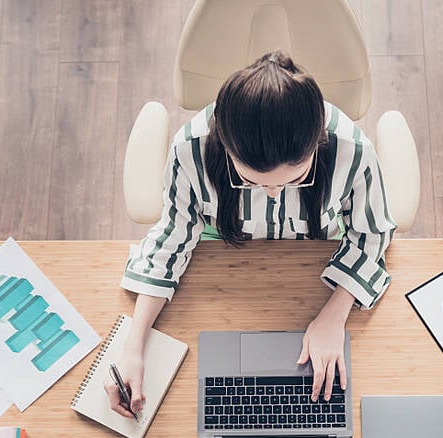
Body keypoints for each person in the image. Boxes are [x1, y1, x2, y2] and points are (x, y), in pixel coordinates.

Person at [105, 50, 395, 418]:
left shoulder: (352, 150)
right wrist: (133, 347)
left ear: (318, 143)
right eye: (249, 181)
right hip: (223, 255)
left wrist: (334, 315)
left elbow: (372, 234)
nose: (273, 193)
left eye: (295, 179)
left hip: (313, 263)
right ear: (225, 147)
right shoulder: (189, 150)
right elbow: (172, 239)